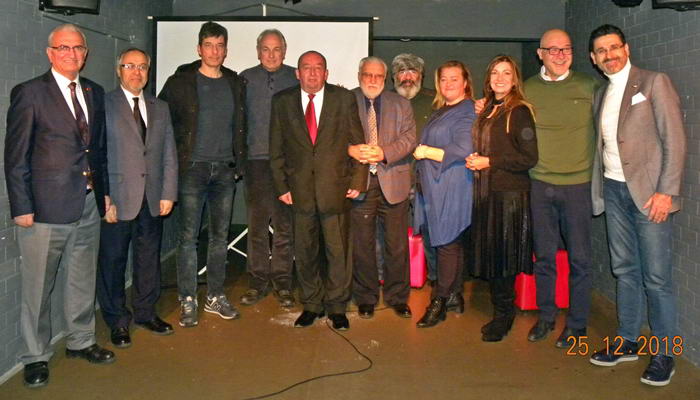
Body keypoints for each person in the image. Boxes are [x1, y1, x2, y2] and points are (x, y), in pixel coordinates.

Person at [5, 23, 114, 388]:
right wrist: (21, 206)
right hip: (44, 208)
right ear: (50, 53)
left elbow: (98, 150)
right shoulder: (30, 93)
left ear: (86, 53)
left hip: (88, 203)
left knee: (82, 277)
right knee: (38, 287)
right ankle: (35, 355)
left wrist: (104, 194)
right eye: (63, 48)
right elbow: (15, 155)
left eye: (77, 47)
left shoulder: (94, 91)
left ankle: (81, 340)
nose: (71, 54)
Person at [588, 24, 686, 387]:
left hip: (649, 195)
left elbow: (675, 140)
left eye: (614, 47)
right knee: (624, 269)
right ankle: (627, 340)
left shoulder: (653, 82)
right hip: (614, 191)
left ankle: (664, 354)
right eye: (601, 50)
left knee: (657, 278)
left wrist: (666, 192)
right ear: (593, 59)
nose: (609, 55)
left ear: (626, 49)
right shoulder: (601, 93)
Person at [269, 51, 368, 330]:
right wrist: (281, 186)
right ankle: (311, 304)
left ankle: (337, 307)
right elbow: (276, 147)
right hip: (298, 191)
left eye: (318, 68)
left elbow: (357, 141)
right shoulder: (282, 101)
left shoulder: (343, 98)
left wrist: (358, 180)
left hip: (336, 188)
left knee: (338, 252)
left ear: (326, 73)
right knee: (305, 251)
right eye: (306, 68)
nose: (312, 73)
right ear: (297, 73)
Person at [158, 21, 246, 327]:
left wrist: (239, 163)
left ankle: (215, 296)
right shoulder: (180, 82)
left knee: (220, 238)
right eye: (208, 45)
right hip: (192, 171)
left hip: (224, 171)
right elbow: (161, 122)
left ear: (225, 50)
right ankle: (188, 299)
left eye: (220, 46)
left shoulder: (235, 82)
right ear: (199, 49)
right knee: (188, 238)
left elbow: (242, 126)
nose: (214, 51)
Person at [96, 47, 178, 349]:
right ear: (119, 70)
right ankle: (117, 320)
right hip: (118, 199)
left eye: (142, 66)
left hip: (152, 197)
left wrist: (168, 192)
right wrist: (104, 197)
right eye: (130, 66)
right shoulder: (104, 104)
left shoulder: (160, 107)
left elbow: (168, 152)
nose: (136, 72)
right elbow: (98, 154)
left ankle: (145, 313)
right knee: (113, 262)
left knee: (148, 259)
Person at [524, 29, 600, 348]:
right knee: (544, 257)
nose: (560, 55)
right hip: (540, 184)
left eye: (566, 49)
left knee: (580, 259)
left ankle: (577, 325)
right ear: (540, 54)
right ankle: (546, 317)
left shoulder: (590, 86)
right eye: (552, 50)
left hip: (578, 185)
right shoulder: (526, 89)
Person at [466, 55, 538, 342]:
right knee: (494, 256)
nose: (499, 78)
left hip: (509, 196)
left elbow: (529, 158)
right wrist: (477, 159)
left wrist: (489, 161)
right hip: (487, 192)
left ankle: (505, 315)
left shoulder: (518, 111)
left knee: (504, 257)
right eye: (495, 72)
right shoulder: (488, 109)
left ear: (514, 79)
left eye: (506, 73)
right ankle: (501, 310)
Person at [348, 56, 416, 319]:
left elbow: (409, 139)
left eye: (378, 76)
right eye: (368, 75)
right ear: (359, 76)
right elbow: (333, 136)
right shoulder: (345, 101)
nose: (373, 80)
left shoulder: (401, 104)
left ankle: (398, 297)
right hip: (360, 184)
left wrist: (384, 152)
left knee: (396, 246)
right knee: (362, 245)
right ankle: (366, 297)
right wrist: (351, 150)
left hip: (393, 181)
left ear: (385, 79)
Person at [413, 60, 475, 328]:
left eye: (454, 78)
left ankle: (437, 302)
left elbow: (463, 148)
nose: (448, 84)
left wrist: (426, 151)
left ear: (465, 83)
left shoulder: (467, 110)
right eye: (443, 79)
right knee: (447, 243)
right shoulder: (442, 110)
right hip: (434, 186)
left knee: (447, 242)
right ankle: (454, 295)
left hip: (452, 184)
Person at [239, 29, 297, 307]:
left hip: (288, 164)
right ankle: (257, 282)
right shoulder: (244, 79)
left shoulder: (296, 77)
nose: (271, 55)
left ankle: (283, 283)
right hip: (256, 162)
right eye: (266, 49)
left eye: (276, 49)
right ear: (258, 51)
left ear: (284, 51)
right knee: (258, 226)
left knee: (285, 226)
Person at [392, 54, 440, 289]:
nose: (408, 77)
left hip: (427, 179)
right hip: (393, 179)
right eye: (402, 71)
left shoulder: (436, 101)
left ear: (422, 75)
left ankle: (436, 278)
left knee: (431, 232)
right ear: (394, 76)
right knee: (394, 235)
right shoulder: (385, 100)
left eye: (413, 71)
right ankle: (398, 277)